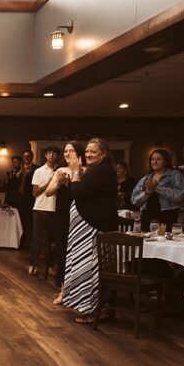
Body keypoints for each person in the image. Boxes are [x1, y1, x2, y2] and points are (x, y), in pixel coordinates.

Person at [63, 138, 118, 324]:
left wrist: (75, 171)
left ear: (104, 154)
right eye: (87, 151)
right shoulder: (96, 170)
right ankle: (86, 306)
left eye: (93, 152)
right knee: (83, 265)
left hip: (94, 227)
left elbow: (78, 192)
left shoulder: (101, 171)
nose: (88, 155)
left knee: (90, 267)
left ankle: (93, 309)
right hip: (85, 228)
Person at [46, 141, 86, 304]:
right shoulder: (60, 171)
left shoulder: (85, 171)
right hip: (62, 217)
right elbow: (48, 192)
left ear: (79, 154)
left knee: (78, 254)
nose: (67, 153)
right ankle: (63, 291)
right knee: (63, 253)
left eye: (71, 151)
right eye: (65, 151)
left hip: (81, 217)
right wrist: (59, 184)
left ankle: (79, 291)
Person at [131, 149, 184, 231]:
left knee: (164, 242)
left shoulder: (175, 175)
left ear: (166, 161)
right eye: (152, 159)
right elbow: (134, 200)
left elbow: (178, 196)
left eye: (159, 159)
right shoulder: (146, 178)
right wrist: (147, 193)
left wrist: (157, 188)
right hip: (147, 217)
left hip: (167, 216)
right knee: (147, 242)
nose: (155, 162)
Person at [29, 145, 59, 275]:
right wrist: (50, 182)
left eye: (54, 153)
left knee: (53, 240)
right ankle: (33, 264)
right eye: (49, 153)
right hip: (40, 208)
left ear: (58, 156)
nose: (52, 155)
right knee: (37, 238)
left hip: (56, 209)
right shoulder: (39, 171)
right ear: (45, 155)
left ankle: (51, 265)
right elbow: (35, 192)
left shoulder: (61, 170)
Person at [16, 150, 38, 248]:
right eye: (25, 156)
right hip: (20, 199)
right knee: (20, 221)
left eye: (28, 156)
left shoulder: (36, 169)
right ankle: (21, 242)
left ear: (32, 157)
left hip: (31, 199)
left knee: (31, 222)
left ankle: (31, 243)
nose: (26, 158)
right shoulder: (18, 169)